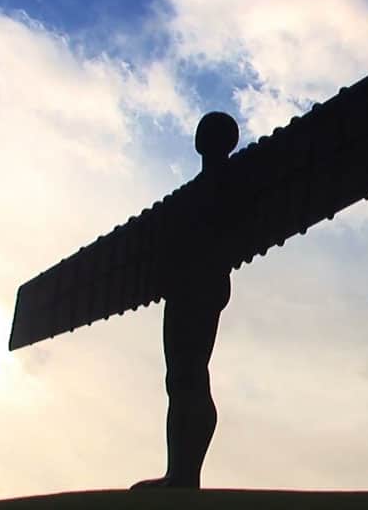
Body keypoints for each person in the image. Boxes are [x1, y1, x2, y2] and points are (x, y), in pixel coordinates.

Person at [133, 112, 238, 489]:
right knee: (180, 376)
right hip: (184, 286)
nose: (202, 135)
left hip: (202, 283)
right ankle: (179, 471)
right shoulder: (192, 193)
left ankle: (184, 474)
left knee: (189, 373)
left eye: (209, 130)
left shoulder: (233, 181)